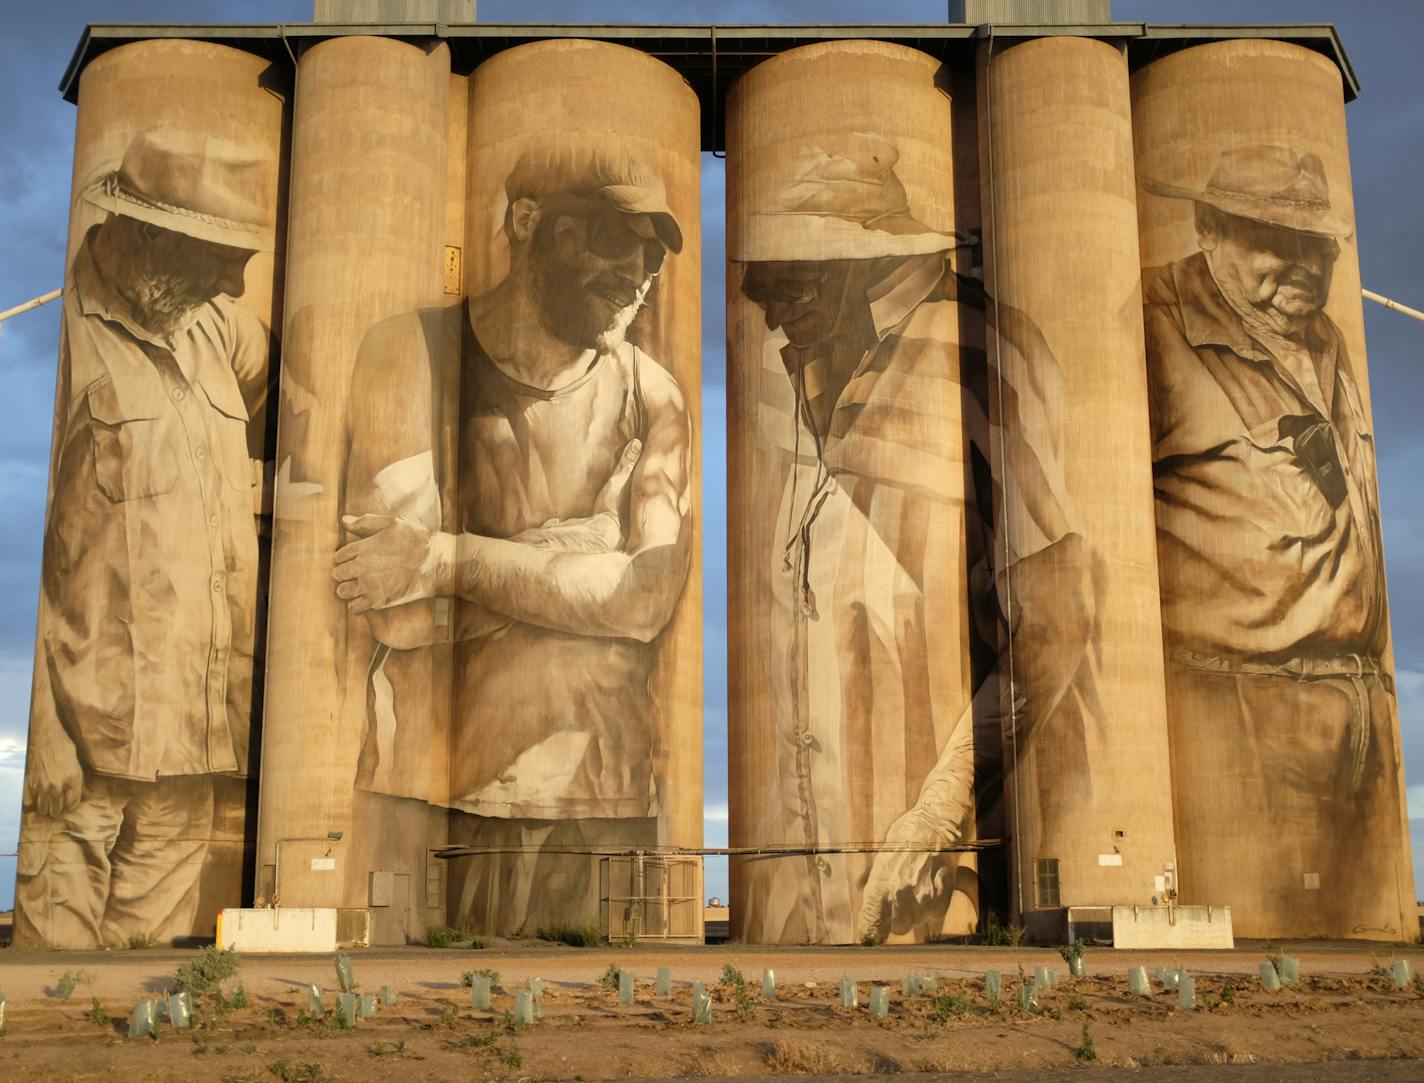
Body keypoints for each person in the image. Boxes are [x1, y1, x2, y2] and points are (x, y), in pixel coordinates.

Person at [733, 135, 1099, 944]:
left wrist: (939, 811)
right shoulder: (808, 370)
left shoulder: (977, 346)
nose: (758, 294)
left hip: (932, 869)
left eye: (787, 270)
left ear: (865, 263)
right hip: (816, 869)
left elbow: (1060, 613)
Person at [333, 142, 693, 933]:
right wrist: (591, 539)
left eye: (650, 253)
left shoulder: (650, 393)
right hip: (430, 793)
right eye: (610, 237)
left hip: (604, 796)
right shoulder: (412, 353)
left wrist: (445, 558)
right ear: (528, 223)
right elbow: (393, 611)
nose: (636, 270)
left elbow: (642, 597)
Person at [16, 129, 273, 948]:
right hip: (86, 752)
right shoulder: (71, 341)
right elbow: (54, 555)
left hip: (192, 741)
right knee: (53, 986)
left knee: (141, 996)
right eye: (221, 257)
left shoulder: (210, 329)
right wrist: (46, 737)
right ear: (154, 235)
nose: (237, 281)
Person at [1142, 144, 1409, 935]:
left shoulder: (1327, 342)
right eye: (1272, 239)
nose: (1300, 263)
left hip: (1362, 710)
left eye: (1315, 245)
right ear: (1209, 228)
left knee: (1364, 941)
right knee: (1263, 935)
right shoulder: (1156, 326)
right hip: (1244, 717)